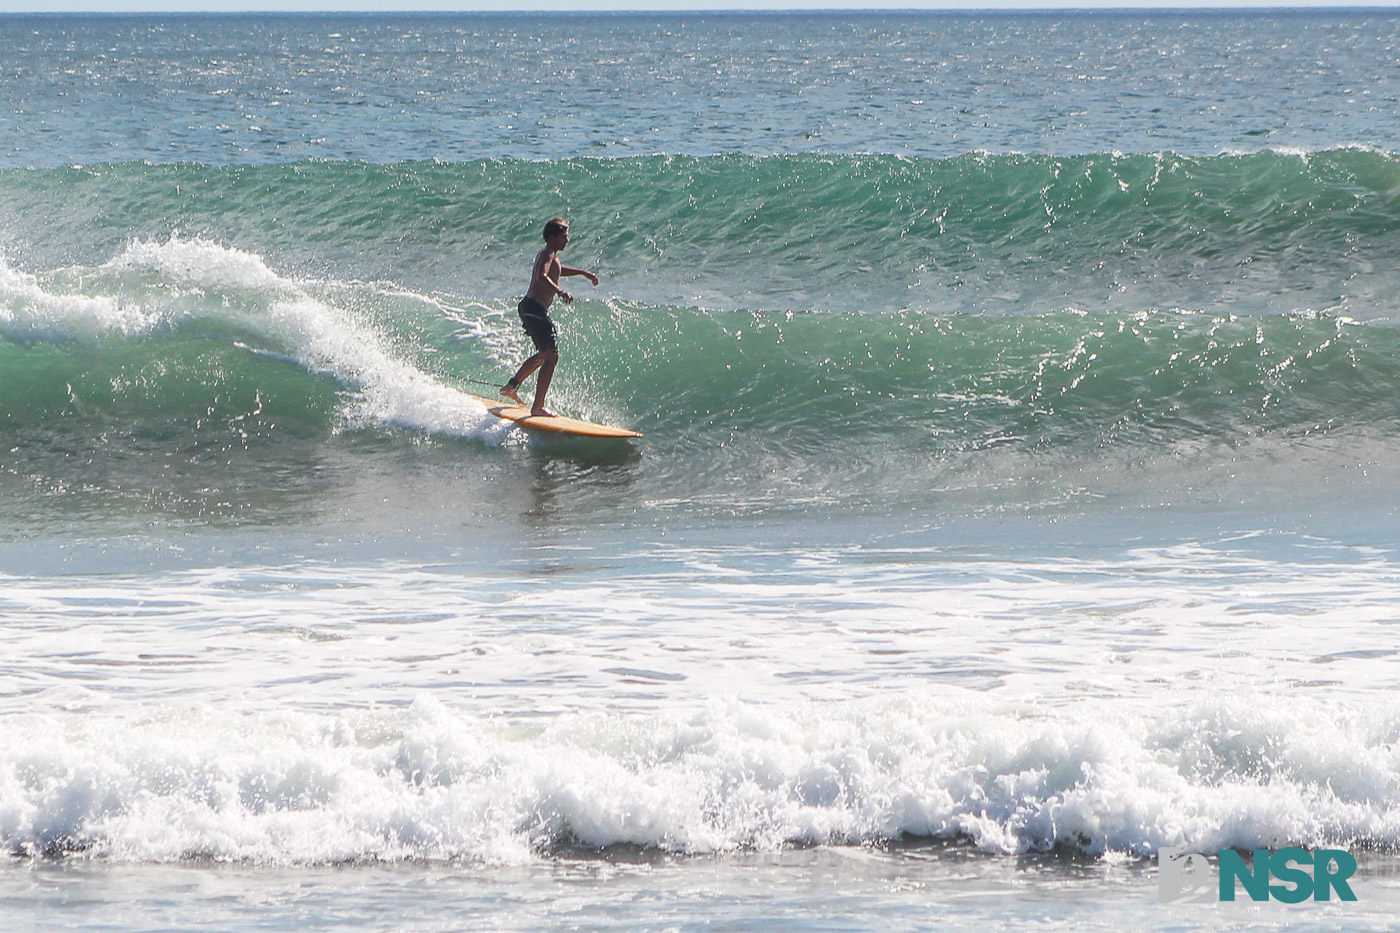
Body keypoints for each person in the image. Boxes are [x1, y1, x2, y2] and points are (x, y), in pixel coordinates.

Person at [500, 217, 599, 417]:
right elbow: (542, 277)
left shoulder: (550, 255)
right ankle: (537, 407)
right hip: (534, 309)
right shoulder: (547, 254)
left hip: (531, 309)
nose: (567, 240)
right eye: (564, 236)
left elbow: (557, 271)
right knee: (551, 356)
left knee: (545, 355)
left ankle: (511, 387)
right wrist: (560, 292)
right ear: (552, 237)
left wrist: (583, 273)